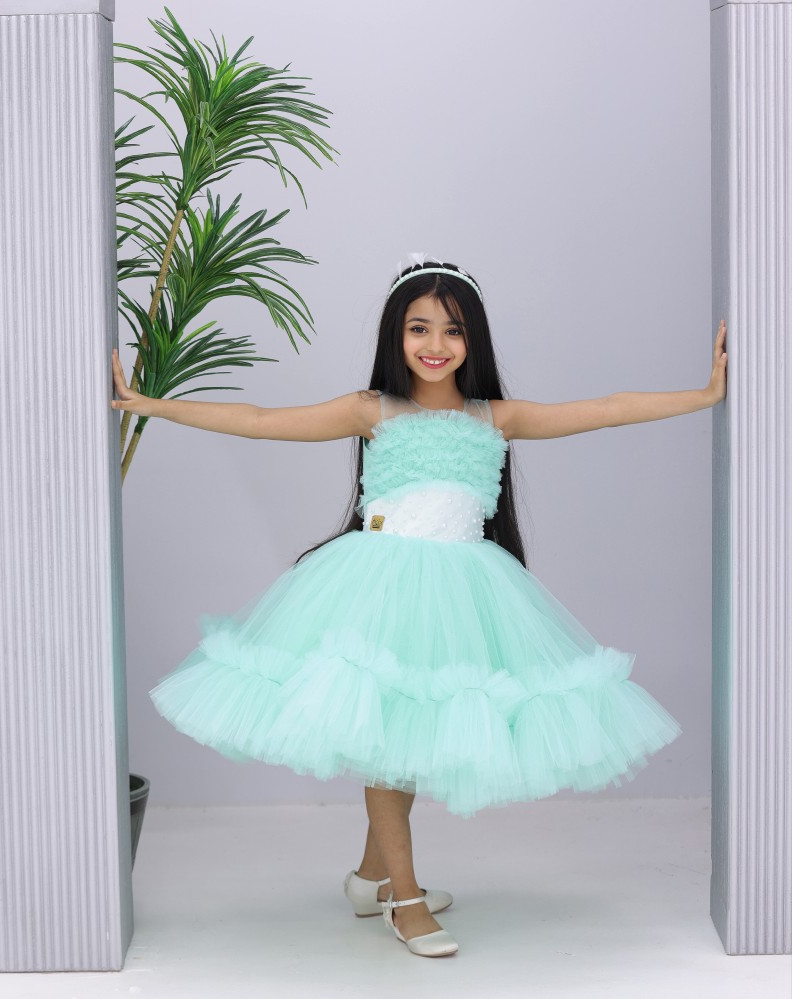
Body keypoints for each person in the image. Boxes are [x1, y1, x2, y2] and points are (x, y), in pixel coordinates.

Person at [111, 257, 728, 959]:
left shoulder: (497, 418)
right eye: (419, 328)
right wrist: (150, 405)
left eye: (453, 330)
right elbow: (259, 421)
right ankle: (403, 899)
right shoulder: (371, 409)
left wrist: (705, 394)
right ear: (395, 335)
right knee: (387, 739)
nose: (435, 344)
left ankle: (369, 878)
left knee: (403, 735)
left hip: (461, 594)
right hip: (380, 585)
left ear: (474, 340)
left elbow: (610, 408)